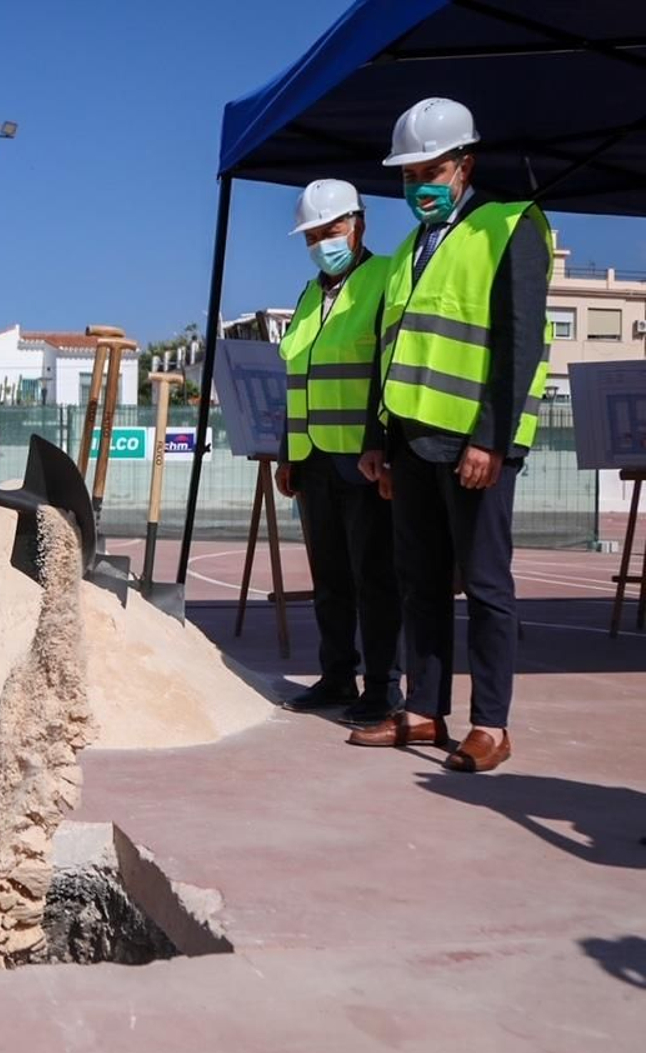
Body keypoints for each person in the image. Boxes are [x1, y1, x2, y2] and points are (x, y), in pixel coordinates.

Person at [349, 98, 552, 773]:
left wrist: (491, 440)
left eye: (429, 171)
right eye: (408, 176)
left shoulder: (509, 226)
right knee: (420, 582)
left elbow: (519, 345)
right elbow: (390, 350)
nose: (418, 187)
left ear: (465, 164)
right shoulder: (410, 250)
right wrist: (378, 439)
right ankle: (423, 710)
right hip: (410, 443)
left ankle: (490, 724)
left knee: (486, 585)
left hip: (473, 446)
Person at [274, 179, 403, 727]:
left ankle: (382, 686)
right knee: (329, 578)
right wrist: (287, 452)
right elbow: (297, 378)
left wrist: (383, 445)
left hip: (363, 458)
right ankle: (336, 676)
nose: (322, 242)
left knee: (374, 577)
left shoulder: (385, 279)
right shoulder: (309, 296)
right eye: (312, 235)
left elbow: (388, 369)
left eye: (331, 230)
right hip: (313, 459)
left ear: (358, 225)